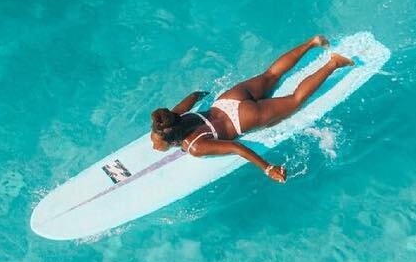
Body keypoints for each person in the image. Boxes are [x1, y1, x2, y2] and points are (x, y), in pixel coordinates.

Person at [150, 35, 353, 183]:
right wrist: (204, 94)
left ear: (175, 141)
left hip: (242, 118)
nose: (153, 146)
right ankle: (312, 43)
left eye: (156, 143)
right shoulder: (175, 115)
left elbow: (236, 148)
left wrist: (268, 168)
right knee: (271, 75)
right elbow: (194, 95)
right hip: (227, 100)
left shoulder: (195, 147)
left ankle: (333, 63)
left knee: (295, 100)